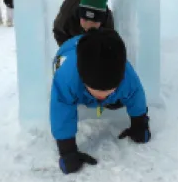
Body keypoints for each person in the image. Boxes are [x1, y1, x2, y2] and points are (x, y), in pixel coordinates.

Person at [50, 28, 151, 174]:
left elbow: (136, 94)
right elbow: (60, 107)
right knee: (67, 99)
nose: (102, 97)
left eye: (108, 92)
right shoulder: (66, 77)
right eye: (96, 92)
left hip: (96, 64)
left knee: (120, 96)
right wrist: (67, 151)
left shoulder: (127, 76)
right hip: (68, 52)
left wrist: (139, 124)